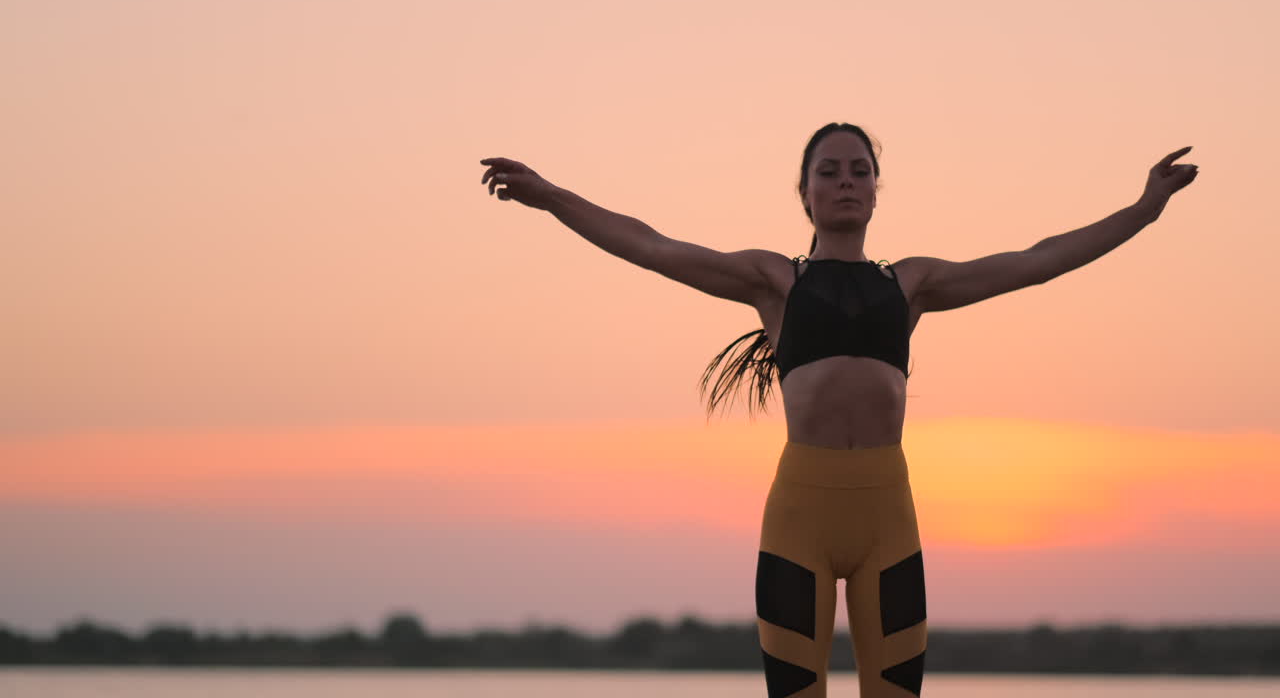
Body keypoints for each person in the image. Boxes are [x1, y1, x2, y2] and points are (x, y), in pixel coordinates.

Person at [478, 124, 1198, 697]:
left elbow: (1035, 260)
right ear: (805, 194)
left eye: (860, 170)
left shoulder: (911, 286)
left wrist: (1143, 210)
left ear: (877, 191)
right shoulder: (773, 281)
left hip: (890, 521)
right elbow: (650, 244)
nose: (847, 181)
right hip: (800, 522)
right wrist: (553, 198)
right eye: (830, 171)